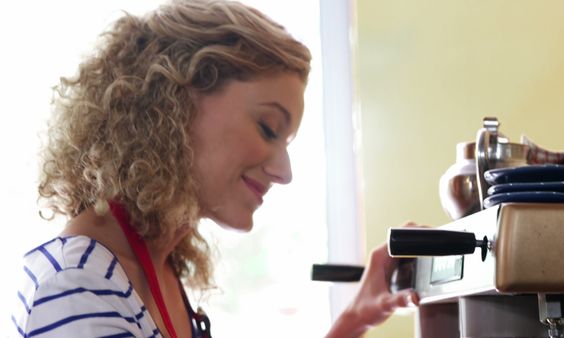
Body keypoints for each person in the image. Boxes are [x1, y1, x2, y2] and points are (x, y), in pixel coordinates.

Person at [11, 1, 418, 337]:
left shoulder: (151, 267)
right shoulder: (78, 287)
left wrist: (357, 317)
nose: (284, 171)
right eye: (268, 128)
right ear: (177, 102)